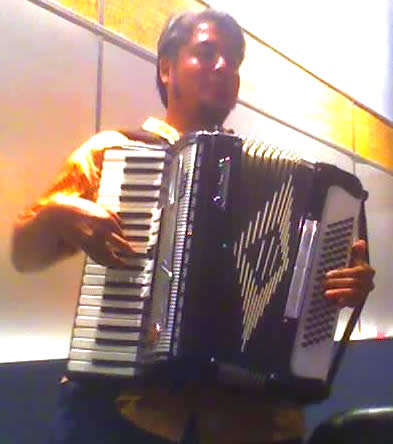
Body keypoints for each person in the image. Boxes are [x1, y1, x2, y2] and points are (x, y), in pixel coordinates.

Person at [11, 9, 375, 444]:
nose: (224, 67)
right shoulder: (114, 155)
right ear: (166, 68)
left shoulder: (294, 189)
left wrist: (342, 285)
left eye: (234, 61)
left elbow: (304, 292)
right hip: (127, 417)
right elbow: (23, 256)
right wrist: (57, 214)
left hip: (249, 422)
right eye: (207, 52)